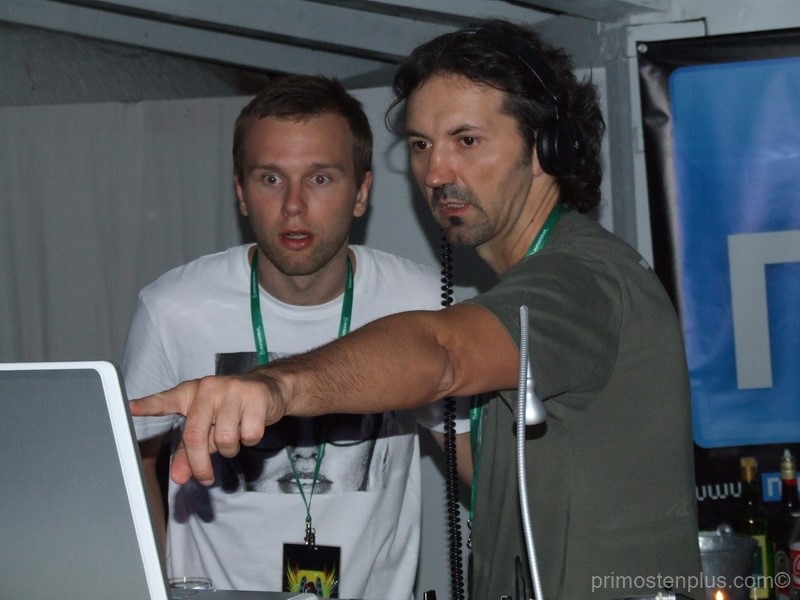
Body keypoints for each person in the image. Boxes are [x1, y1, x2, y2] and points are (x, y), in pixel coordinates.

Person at [131, 20, 705, 600]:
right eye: (422, 145)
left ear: (544, 147)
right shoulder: (528, 285)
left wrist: (275, 387)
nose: (435, 173)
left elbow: (443, 352)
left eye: (466, 141)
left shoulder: (583, 279)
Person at [122, 74, 468, 600]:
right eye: (270, 178)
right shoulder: (173, 308)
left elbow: (477, 459)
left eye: (321, 178)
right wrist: (158, 585)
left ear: (362, 192)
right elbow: (135, 463)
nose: (293, 205)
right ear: (241, 193)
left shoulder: (423, 302)